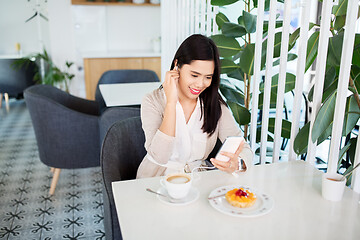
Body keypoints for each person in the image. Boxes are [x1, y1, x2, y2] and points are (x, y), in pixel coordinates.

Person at [136, 34, 253, 178]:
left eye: (208, 77)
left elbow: (243, 147)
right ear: (177, 66)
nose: (200, 84)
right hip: (156, 181)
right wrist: (171, 103)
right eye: (194, 75)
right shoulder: (152, 101)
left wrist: (238, 163)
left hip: (197, 181)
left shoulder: (214, 105)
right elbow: (160, 156)